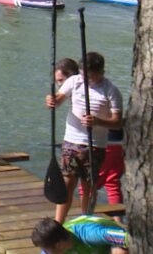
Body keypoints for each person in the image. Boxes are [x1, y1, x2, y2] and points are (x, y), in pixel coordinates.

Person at [45, 52, 123, 223]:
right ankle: (59, 223)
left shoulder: (111, 91)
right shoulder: (74, 81)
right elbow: (59, 99)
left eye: (90, 76)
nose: (85, 79)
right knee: (68, 182)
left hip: (94, 145)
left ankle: (85, 219)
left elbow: (117, 122)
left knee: (89, 185)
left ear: (101, 72)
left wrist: (98, 121)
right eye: (83, 74)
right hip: (71, 141)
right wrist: (52, 100)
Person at [31, 216, 127, 254]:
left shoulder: (90, 235)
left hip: (109, 246)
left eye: (46, 250)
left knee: (120, 252)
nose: (44, 252)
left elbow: (126, 237)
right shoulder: (53, 246)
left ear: (58, 245)